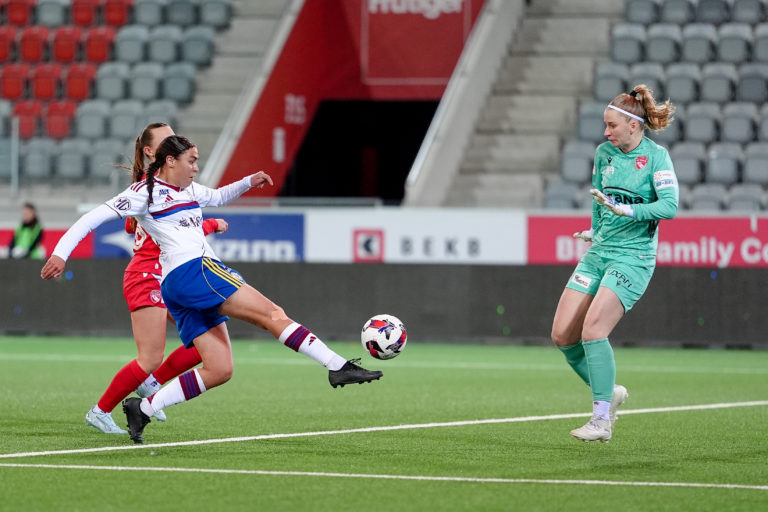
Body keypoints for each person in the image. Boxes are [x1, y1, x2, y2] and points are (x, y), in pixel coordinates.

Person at [42, 135, 382, 444]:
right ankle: (336, 365)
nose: (196, 167)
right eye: (192, 161)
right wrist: (60, 253)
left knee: (220, 369)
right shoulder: (143, 193)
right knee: (272, 314)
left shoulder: (189, 189)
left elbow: (219, 196)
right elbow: (91, 218)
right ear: (170, 161)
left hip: (175, 284)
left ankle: (143, 409)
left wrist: (248, 181)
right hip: (195, 271)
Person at [551, 84, 678, 442]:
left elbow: (669, 206)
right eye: (605, 125)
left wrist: (627, 211)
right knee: (562, 336)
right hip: (600, 252)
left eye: (612, 125)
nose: (606, 132)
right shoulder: (604, 153)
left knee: (593, 330)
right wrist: (596, 229)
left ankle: (601, 419)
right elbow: (599, 198)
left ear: (633, 125)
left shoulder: (656, 157)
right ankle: (611, 391)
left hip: (633, 257)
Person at [84, 123, 228, 435]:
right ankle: (101, 411)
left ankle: (151, 384)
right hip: (148, 274)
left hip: (167, 274)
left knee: (207, 338)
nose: (174, 145)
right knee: (150, 356)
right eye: (166, 141)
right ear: (152, 152)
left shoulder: (162, 184)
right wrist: (211, 224)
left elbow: (132, 227)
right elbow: (172, 229)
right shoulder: (150, 189)